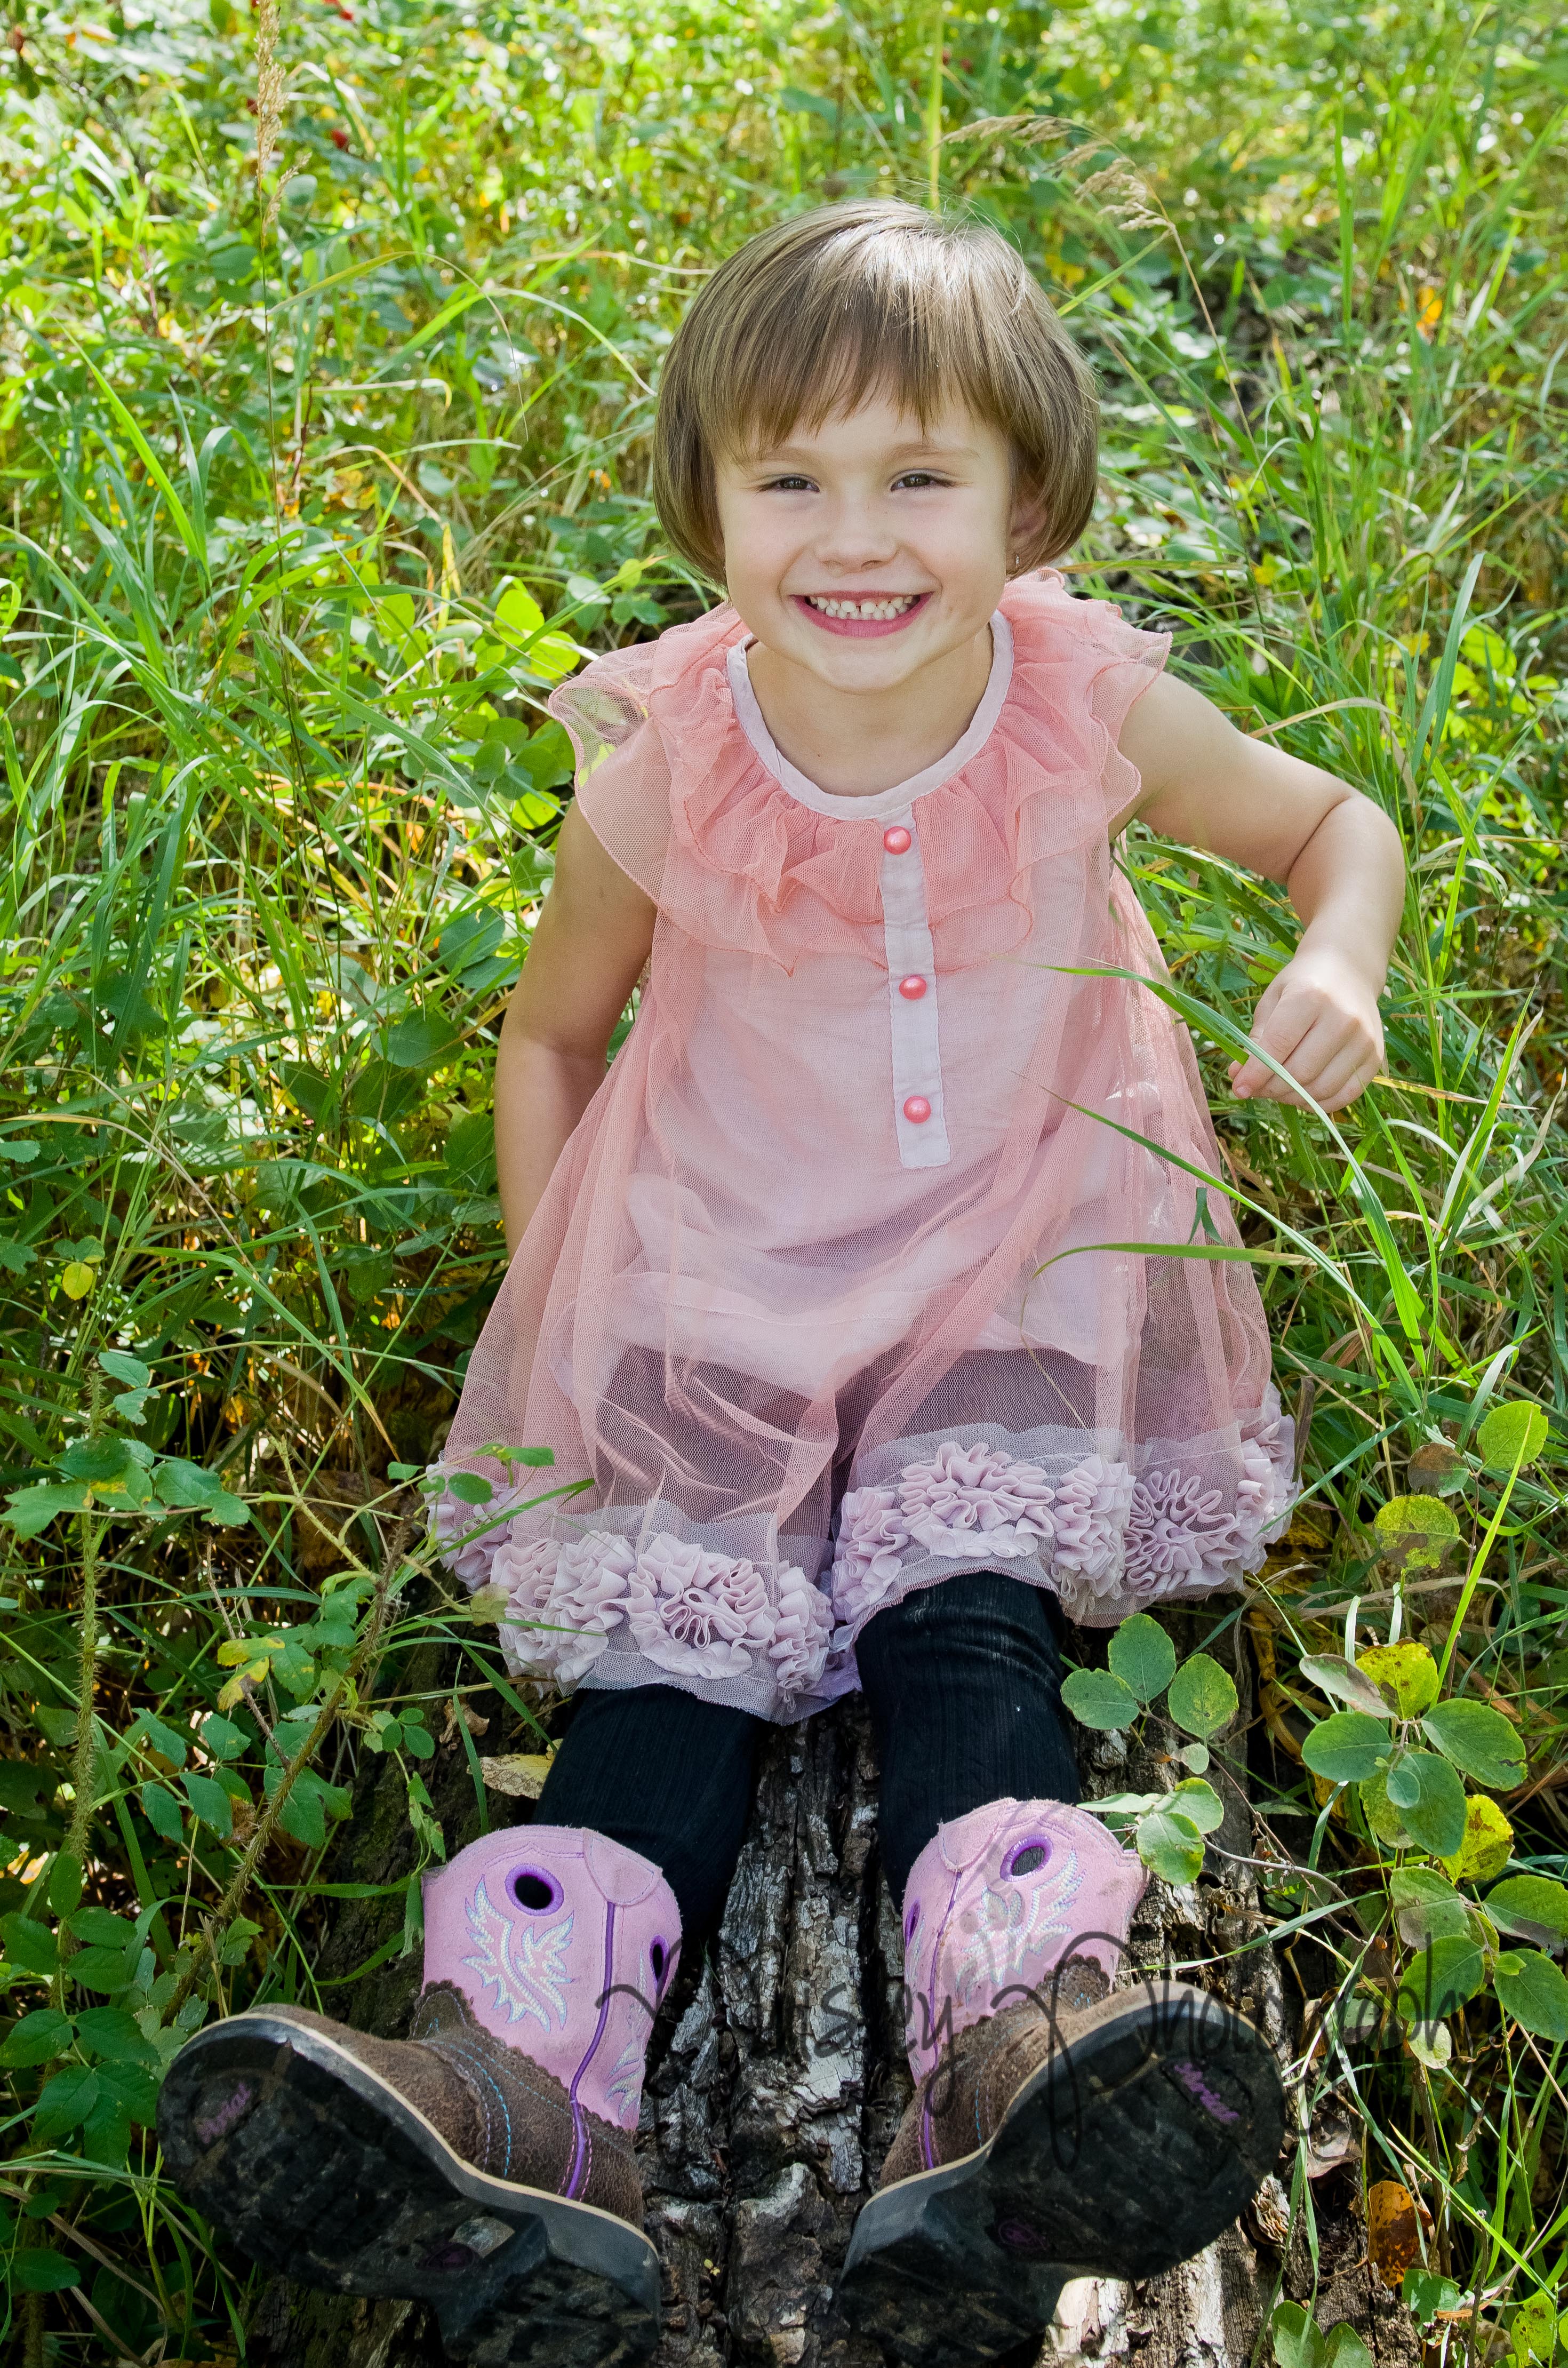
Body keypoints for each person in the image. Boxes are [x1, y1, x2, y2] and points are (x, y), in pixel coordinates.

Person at [160, 200, 1404, 2365]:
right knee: (668, 1652)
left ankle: (1016, 2069)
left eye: (919, 476)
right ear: (708, 498)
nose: (858, 536)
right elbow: (554, 1033)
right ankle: (513, 2094)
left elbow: (1336, 828)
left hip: (1012, 1260)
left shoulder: (1087, 707)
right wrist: (575, 1301)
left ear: (1029, 496)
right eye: (791, 478)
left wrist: (1335, 954)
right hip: (724, 1271)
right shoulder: (667, 754)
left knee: (969, 1618)